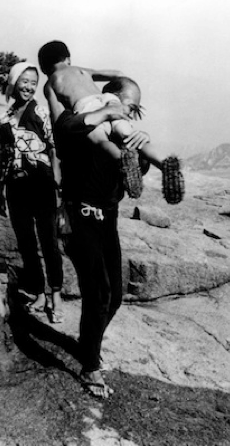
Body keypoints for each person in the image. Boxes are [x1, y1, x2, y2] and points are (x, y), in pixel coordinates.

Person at [53, 82, 151, 399]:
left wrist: (141, 149)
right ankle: (90, 367)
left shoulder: (124, 135)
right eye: (127, 103)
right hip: (80, 215)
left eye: (136, 106)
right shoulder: (82, 124)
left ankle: (88, 344)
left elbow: (134, 177)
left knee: (115, 297)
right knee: (98, 293)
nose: (132, 110)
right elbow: (65, 126)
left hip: (107, 217)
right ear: (108, 100)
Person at [38, 40, 184, 204]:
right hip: (110, 100)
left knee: (100, 141)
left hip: (87, 107)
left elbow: (57, 120)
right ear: (68, 59)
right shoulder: (81, 70)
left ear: (44, 69)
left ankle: (124, 160)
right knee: (130, 136)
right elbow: (118, 73)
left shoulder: (51, 82)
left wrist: (59, 147)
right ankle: (164, 162)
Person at [0, 62, 64, 323]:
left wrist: (57, 178)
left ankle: (56, 293)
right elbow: (3, 158)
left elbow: (54, 146)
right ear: (14, 82)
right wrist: (0, 192)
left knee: (48, 241)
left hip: (41, 183)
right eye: (24, 81)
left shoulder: (42, 113)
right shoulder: (3, 119)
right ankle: (39, 292)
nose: (29, 86)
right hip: (15, 187)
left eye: (33, 82)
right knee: (26, 243)